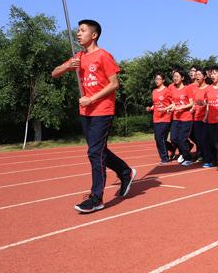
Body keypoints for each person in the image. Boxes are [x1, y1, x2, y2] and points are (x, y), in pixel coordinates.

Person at [51, 19, 135, 213]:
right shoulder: (78, 57)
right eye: (77, 31)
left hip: (102, 110)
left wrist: (91, 98)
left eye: (82, 31)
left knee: (94, 153)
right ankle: (125, 172)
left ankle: (96, 198)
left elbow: (114, 84)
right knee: (99, 150)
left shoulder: (103, 56)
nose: (78, 34)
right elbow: (54, 73)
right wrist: (67, 67)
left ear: (94, 35)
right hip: (85, 112)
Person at [167, 70, 195, 165]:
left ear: (182, 78)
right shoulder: (173, 89)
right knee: (173, 139)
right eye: (174, 76)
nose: (175, 78)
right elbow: (174, 103)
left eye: (177, 76)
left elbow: (191, 103)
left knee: (181, 139)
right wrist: (169, 108)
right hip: (176, 117)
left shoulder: (187, 89)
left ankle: (188, 158)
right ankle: (188, 146)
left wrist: (181, 107)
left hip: (186, 118)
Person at [146, 73, 172, 164]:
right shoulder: (154, 91)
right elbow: (155, 103)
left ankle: (165, 158)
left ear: (163, 80)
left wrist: (166, 109)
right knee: (158, 138)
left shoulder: (167, 91)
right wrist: (151, 108)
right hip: (156, 117)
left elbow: (172, 103)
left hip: (165, 117)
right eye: (156, 79)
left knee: (160, 138)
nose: (157, 80)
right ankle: (172, 148)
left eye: (159, 79)